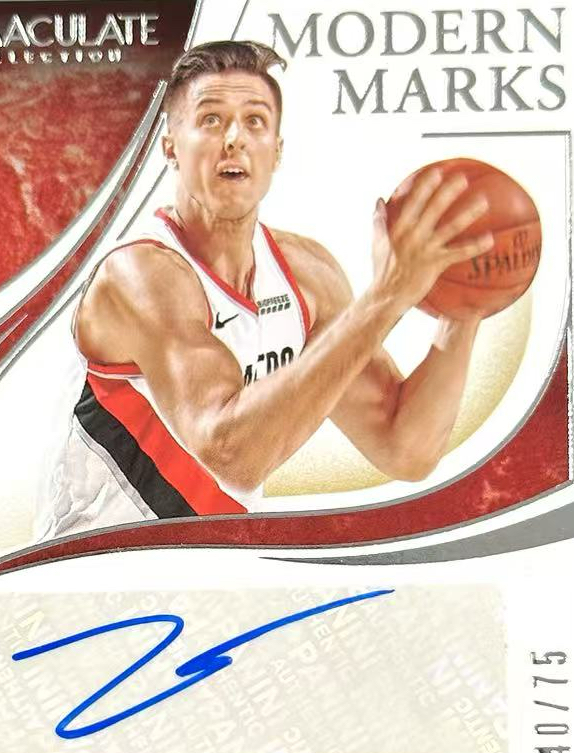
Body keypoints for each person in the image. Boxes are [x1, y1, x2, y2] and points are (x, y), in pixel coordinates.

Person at [35, 40, 492, 538]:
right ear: (170, 147)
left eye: (255, 121)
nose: (234, 139)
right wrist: (387, 299)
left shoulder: (308, 275)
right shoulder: (140, 275)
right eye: (211, 120)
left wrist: (465, 305)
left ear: (276, 151)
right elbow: (231, 456)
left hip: (205, 567)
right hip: (91, 568)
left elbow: (405, 447)